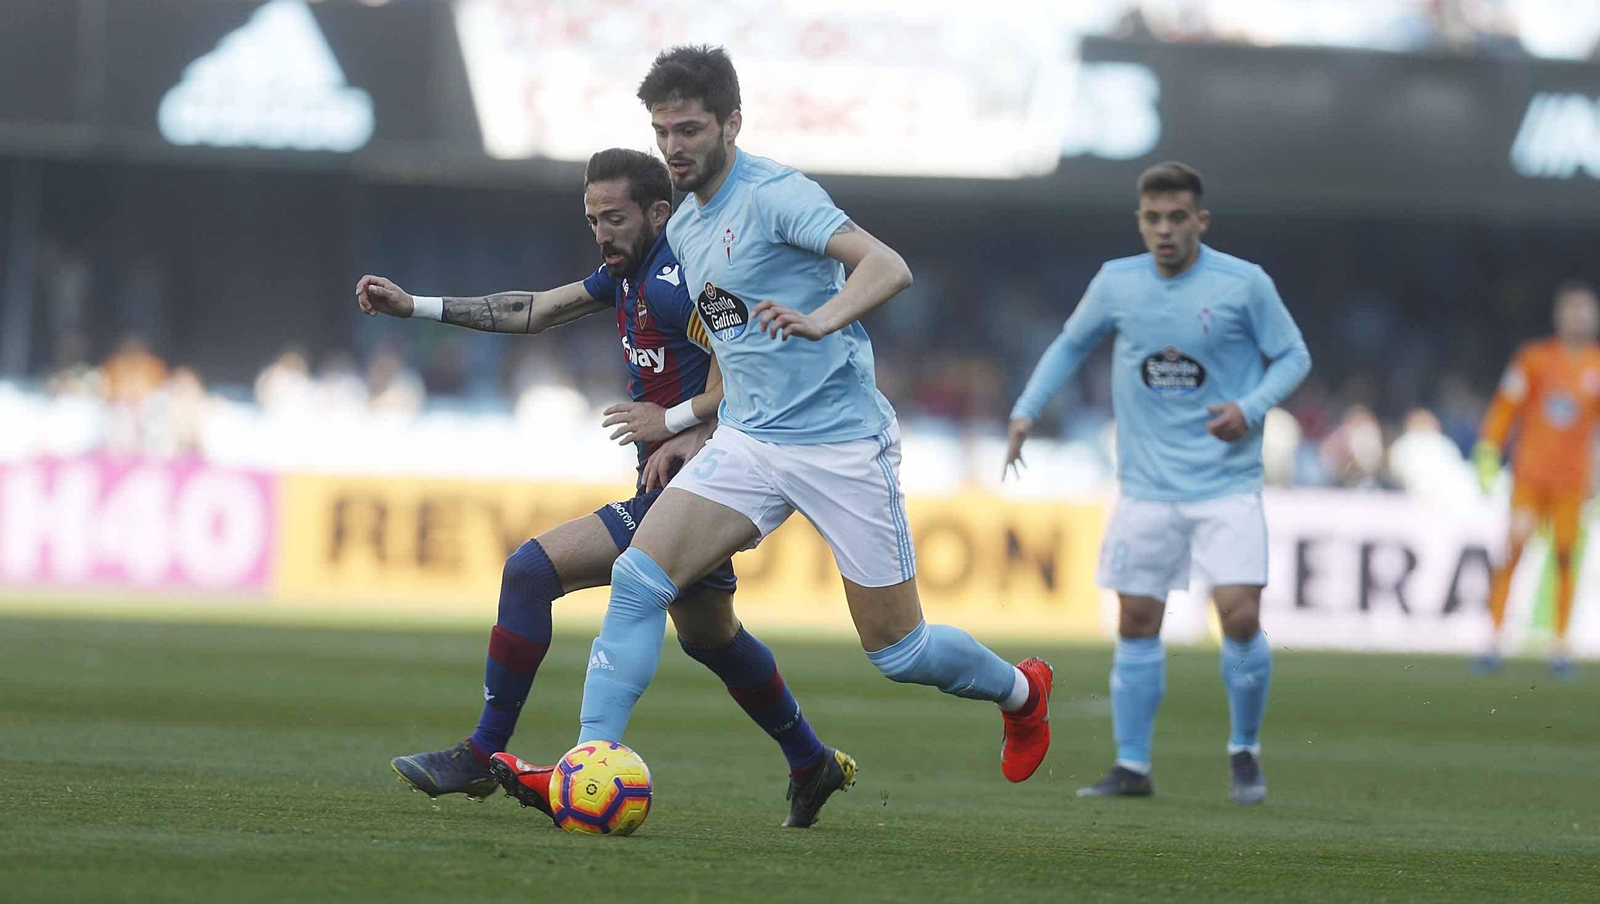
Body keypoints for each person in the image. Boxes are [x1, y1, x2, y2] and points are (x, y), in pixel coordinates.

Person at [571, 45, 1055, 790]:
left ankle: (1023, 696)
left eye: (690, 130)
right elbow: (724, 330)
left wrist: (824, 319)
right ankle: (587, 762)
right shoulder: (687, 224)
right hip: (752, 440)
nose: (673, 147)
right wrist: (697, 424)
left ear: (732, 122)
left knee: (898, 651)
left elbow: (888, 266)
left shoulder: (776, 194)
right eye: (663, 131)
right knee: (639, 578)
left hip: (839, 443)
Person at [356, 148, 850, 828]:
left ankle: (481, 753)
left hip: (697, 484)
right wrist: (416, 306)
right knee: (711, 637)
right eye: (592, 219)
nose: (602, 233)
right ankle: (809, 759)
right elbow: (531, 310)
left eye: (614, 218)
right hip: (680, 481)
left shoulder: (687, 279)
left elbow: (750, 371)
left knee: (530, 572)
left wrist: (680, 426)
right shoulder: (626, 276)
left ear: (657, 212)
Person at [1005, 161, 1310, 805]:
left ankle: (1245, 750)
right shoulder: (1118, 282)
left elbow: (1294, 355)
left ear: (1200, 221)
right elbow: (1069, 344)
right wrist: (1027, 409)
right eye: (1153, 218)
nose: (1164, 231)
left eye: (1177, 218)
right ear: (1139, 220)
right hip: (1145, 486)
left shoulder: (1243, 283)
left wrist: (1249, 409)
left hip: (1226, 483)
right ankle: (1133, 767)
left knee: (1241, 614)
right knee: (1138, 621)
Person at [1474, 279, 1600, 679]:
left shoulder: (1598, 365)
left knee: (1566, 558)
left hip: (1572, 481)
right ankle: (1493, 640)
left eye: (1586, 310)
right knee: (1514, 550)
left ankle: (1560, 646)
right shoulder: (1533, 359)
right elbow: (1505, 406)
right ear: (1559, 315)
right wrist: (1488, 450)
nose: (1579, 317)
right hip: (1530, 477)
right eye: (1572, 310)